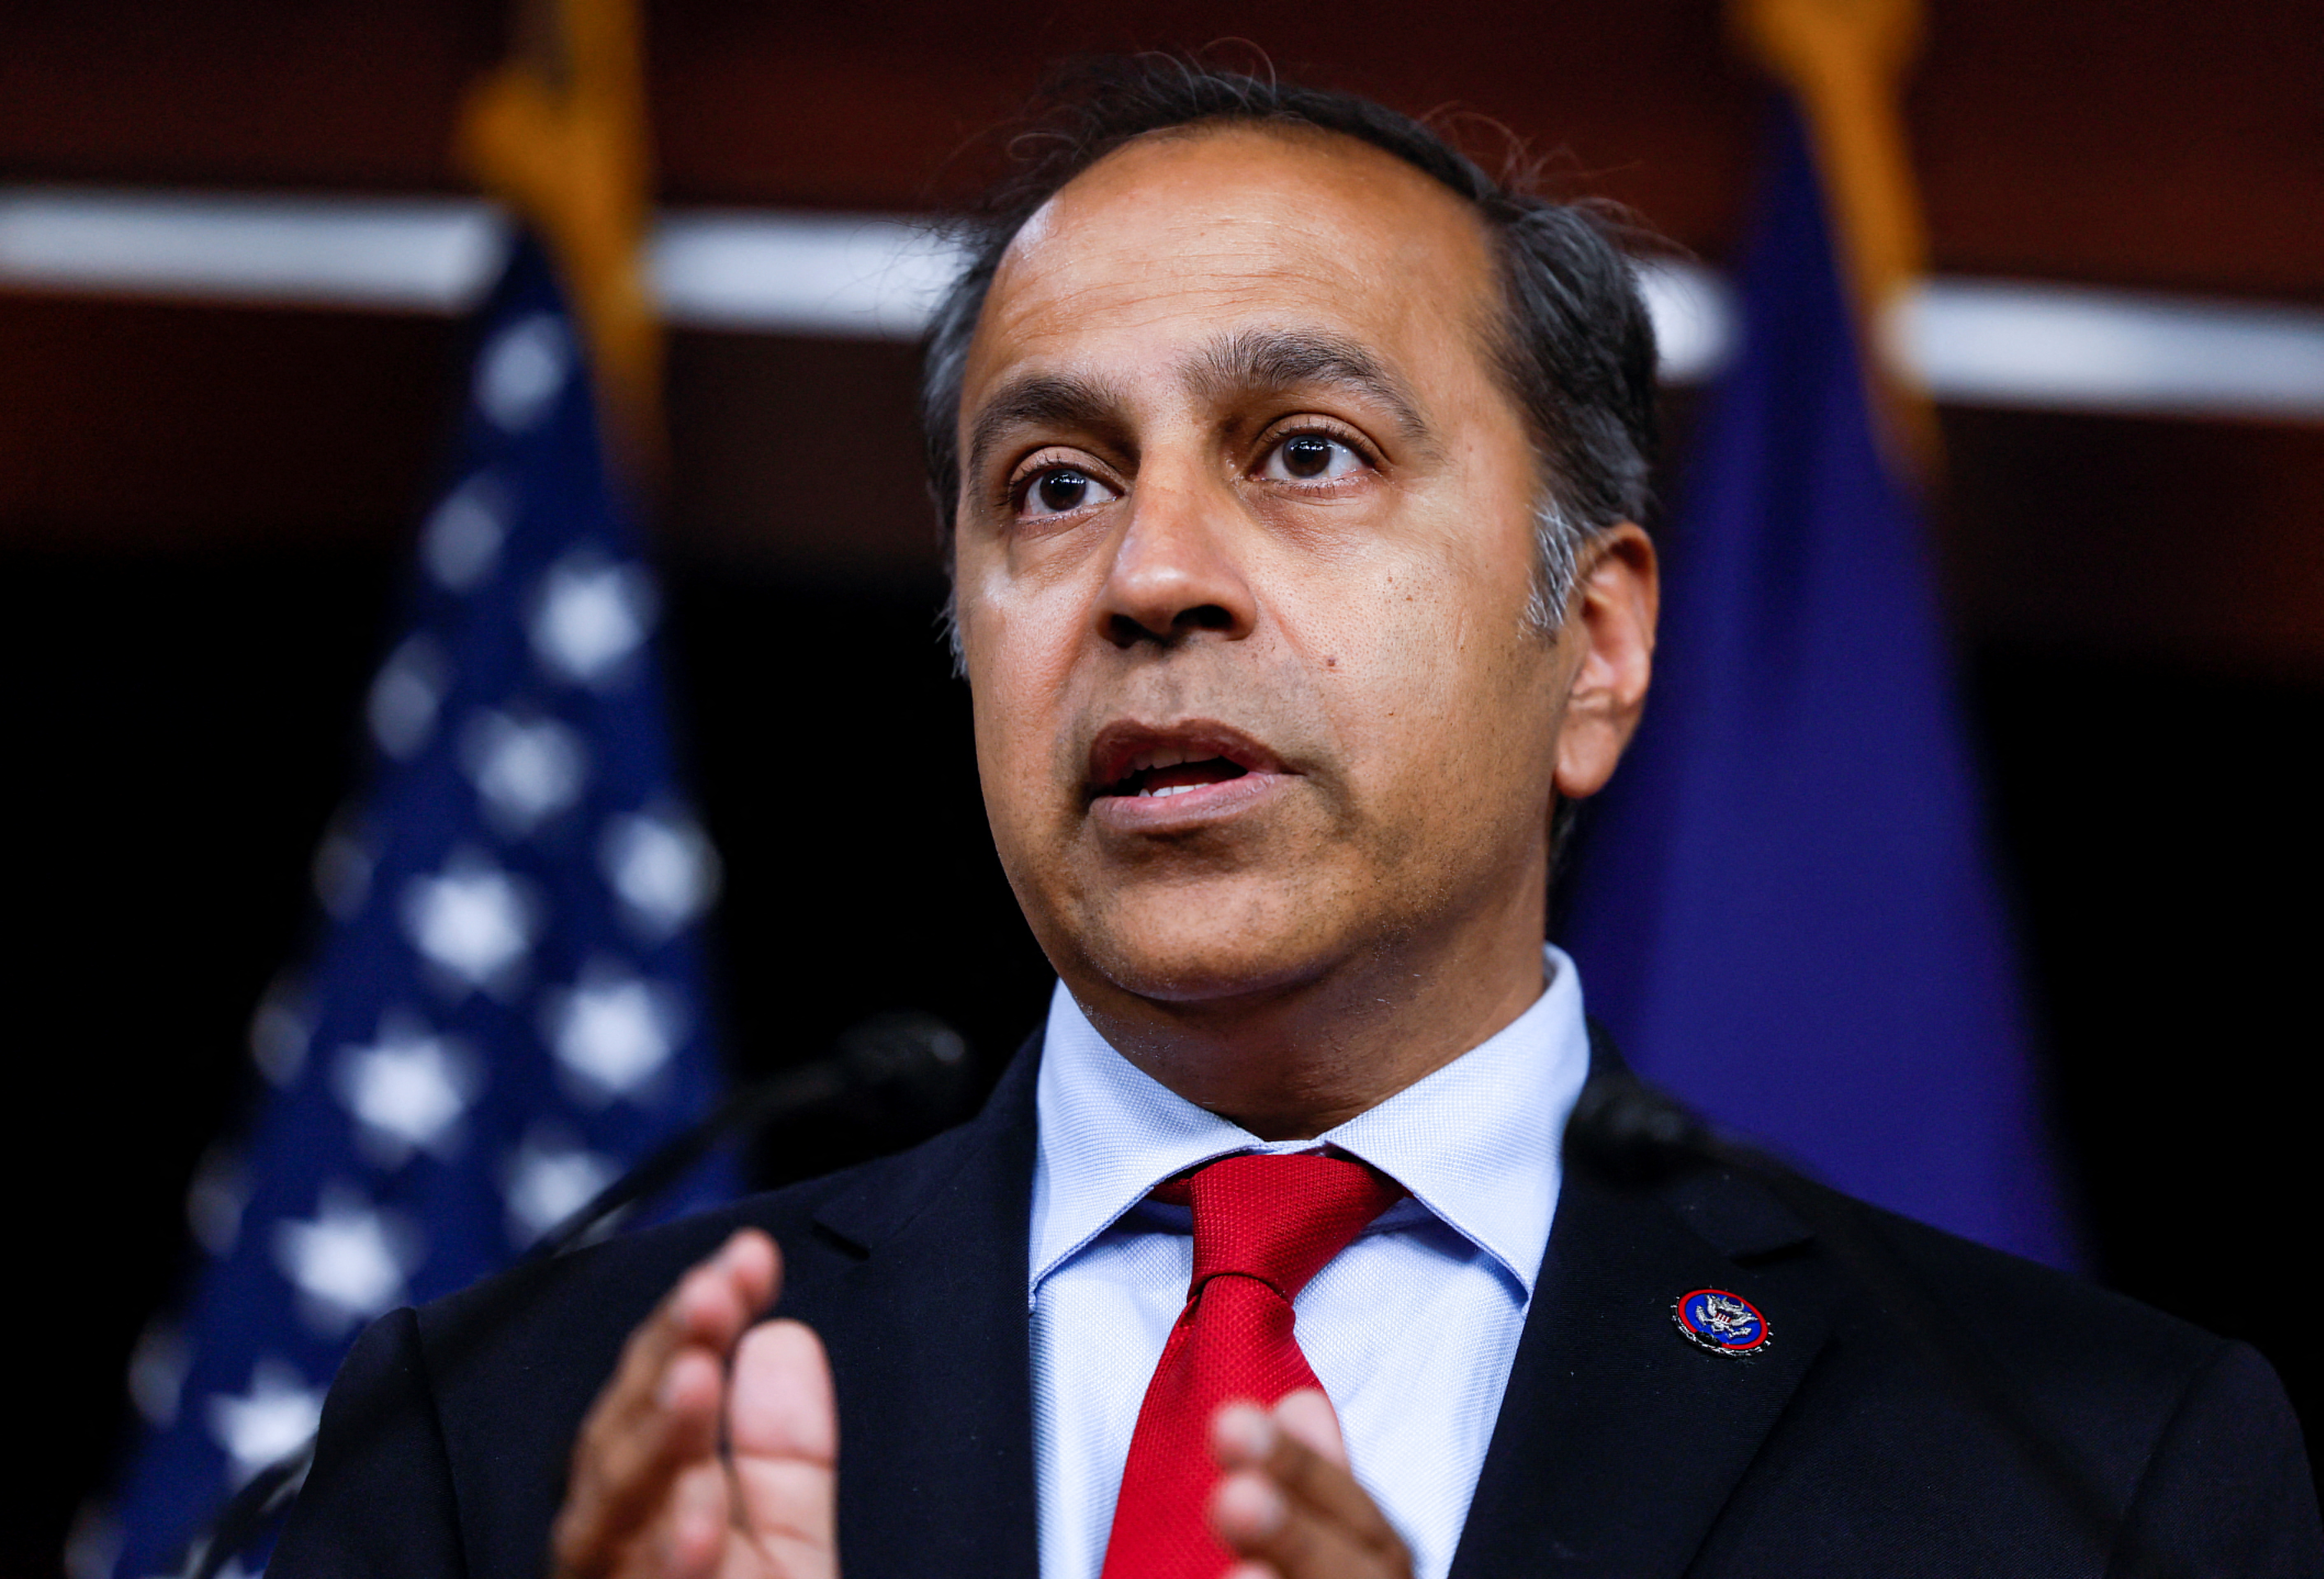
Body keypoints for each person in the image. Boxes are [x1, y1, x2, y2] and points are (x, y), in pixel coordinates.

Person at [273, 58, 2322, 1579]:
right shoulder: (505, 1437)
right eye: (1051, 484)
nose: (1152, 572)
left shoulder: (2084, 1475)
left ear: (1592, 646)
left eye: (1307, 450)